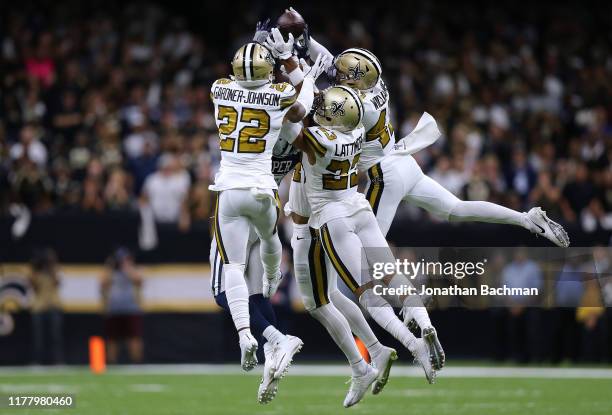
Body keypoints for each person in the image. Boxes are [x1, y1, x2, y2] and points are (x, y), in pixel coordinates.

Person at [288, 85, 438, 407]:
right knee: (390, 273)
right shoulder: (356, 128)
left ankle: (413, 346)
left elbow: (289, 124)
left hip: (331, 217)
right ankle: (424, 323)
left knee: (366, 292)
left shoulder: (320, 140)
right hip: (359, 206)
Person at [208, 37, 326, 380]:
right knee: (264, 266)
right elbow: (303, 109)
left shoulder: (219, 89)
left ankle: (262, 337)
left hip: (230, 190)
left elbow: (245, 83)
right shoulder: (279, 99)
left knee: (225, 285)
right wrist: (302, 75)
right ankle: (275, 346)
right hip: (266, 193)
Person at [100, 248, 144, 363]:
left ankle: (136, 363)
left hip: (131, 309)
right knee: (112, 339)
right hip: (113, 309)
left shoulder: (132, 269)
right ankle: (112, 363)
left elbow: (139, 280)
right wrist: (109, 267)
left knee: (134, 337)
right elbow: (103, 284)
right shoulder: (110, 272)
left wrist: (127, 267)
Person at [29, 248, 64, 364]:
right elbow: (32, 285)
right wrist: (35, 267)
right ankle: (38, 361)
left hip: (54, 305)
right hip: (39, 306)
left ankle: (57, 361)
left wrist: (52, 266)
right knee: (38, 337)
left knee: (56, 337)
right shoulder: (36, 272)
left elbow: (58, 282)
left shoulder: (54, 270)